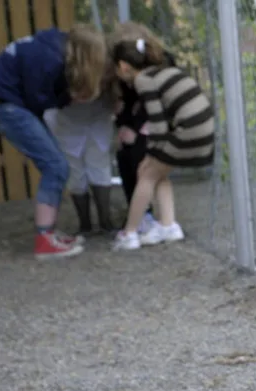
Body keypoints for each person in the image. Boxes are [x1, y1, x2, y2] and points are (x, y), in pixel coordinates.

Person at [0, 25, 109, 259]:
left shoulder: (53, 45)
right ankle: (44, 240)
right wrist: (67, 97)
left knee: (56, 165)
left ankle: (48, 232)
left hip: (5, 102)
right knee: (55, 166)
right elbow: (38, 99)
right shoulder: (50, 61)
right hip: (6, 106)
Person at [109, 34, 214, 251]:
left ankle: (129, 233)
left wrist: (151, 152)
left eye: (115, 68)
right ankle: (168, 225)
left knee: (146, 172)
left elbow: (157, 123)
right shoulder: (163, 72)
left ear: (124, 66)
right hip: (204, 131)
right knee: (159, 172)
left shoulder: (143, 80)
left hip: (188, 132)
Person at [108, 22, 178, 240]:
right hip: (144, 121)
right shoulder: (128, 73)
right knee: (126, 156)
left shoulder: (161, 65)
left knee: (146, 168)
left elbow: (155, 104)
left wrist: (136, 130)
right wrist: (123, 125)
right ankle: (162, 222)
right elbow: (128, 102)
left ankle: (139, 222)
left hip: (161, 121)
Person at [44, 87, 118, 236]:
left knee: (99, 167)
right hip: (66, 119)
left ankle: (105, 221)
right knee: (75, 172)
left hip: (97, 116)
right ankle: (85, 224)